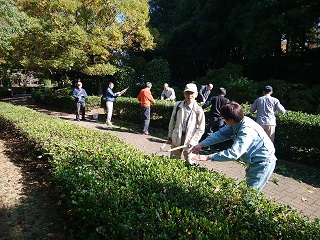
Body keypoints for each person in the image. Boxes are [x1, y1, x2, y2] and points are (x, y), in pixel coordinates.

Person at [190, 101, 277, 191]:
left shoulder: (247, 130)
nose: (224, 120)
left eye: (224, 118)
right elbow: (221, 134)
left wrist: (208, 157)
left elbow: (234, 153)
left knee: (250, 194)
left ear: (231, 120)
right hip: (254, 161)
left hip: (263, 163)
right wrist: (201, 144)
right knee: (247, 191)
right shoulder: (238, 122)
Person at [168, 83, 205, 164]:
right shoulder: (178, 105)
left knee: (190, 161)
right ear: (184, 94)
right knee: (173, 161)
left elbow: (201, 129)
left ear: (196, 94)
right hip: (177, 136)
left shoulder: (198, 110)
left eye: (192, 93)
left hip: (190, 140)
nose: (189, 95)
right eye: (187, 93)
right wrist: (170, 134)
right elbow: (172, 121)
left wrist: (193, 140)